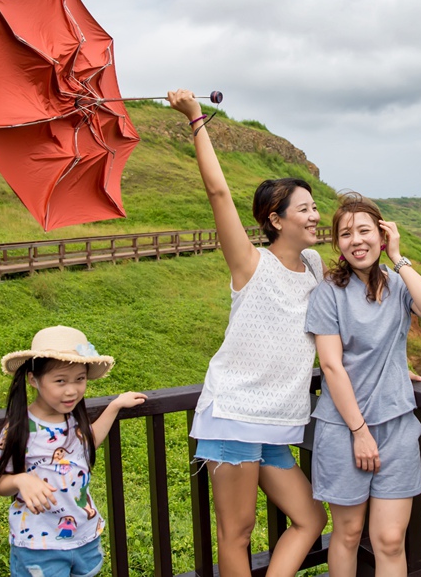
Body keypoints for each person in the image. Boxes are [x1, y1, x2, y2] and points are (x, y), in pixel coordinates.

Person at [166, 89, 328, 577]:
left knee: (310, 517)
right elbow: (218, 192)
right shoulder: (249, 264)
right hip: (236, 413)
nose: (315, 215)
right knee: (236, 534)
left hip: (276, 422)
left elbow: (339, 329)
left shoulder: (316, 266)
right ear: (275, 220)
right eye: (304, 209)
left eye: (315, 206)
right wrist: (196, 118)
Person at [305, 193, 421, 577]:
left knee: (389, 540)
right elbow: (331, 367)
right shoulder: (328, 293)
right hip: (345, 429)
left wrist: (399, 257)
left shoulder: (399, 286)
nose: (356, 240)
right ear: (338, 244)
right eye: (346, 233)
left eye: (365, 230)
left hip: (397, 427)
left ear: (382, 237)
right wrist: (360, 432)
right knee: (347, 535)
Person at [0, 325, 148, 577]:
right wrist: (20, 479)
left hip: (85, 536)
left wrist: (115, 406)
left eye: (79, 379)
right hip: (40, 546)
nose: (72, 390)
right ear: (33, 379)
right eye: (60, 381)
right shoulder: (19, 429)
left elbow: (87, 443)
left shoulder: (73, 419)